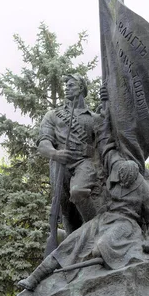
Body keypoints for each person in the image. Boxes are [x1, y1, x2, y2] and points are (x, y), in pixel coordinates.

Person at [18, 153, 149, 291]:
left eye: (126, 181)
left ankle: (90, 285)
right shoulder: (114, 174)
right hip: (104, 218)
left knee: (102, 246)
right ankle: (35, 278)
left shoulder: (145, 190)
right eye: (120, 178)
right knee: (70, 242)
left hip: (126, 223)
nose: (122, 182)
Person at [37, 73, 104, 234]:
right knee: (66, 208)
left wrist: (108, 103)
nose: (66, 89)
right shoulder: (53, 115)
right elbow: (43, 144)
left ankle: (96, 231)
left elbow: (108, 142)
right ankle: (72, 242)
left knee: (78, 191)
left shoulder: (95, 119)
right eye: (65, 86)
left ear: (81, 88)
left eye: (71, 85)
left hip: (84, 162)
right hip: (60, 164)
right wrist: (55, 153)